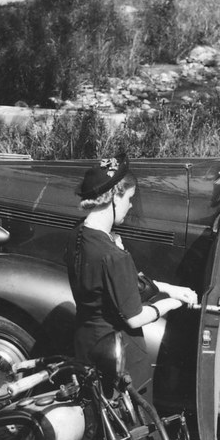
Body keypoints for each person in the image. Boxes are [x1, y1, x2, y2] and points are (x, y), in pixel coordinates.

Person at [64, 154, 197, 397]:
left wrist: (170, 288)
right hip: (121, 360)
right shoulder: (113, 255)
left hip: (86, 348)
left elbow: (120, 285)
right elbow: (135, 318)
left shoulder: (78, 234)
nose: (131, 205)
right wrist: (172, 303)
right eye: (129, 198)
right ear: (115, 197)